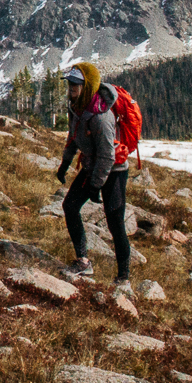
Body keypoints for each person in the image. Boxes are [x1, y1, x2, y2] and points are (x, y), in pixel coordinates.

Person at [54, 61, 131, 286]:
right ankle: (83, 262)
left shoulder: (101, 117)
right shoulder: (75, 107)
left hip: (114, 171)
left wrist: (95, 185)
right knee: (70, 206)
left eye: (76, 85)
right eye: (70, 85)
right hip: (91, 166)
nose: (71, 89)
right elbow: (73, 136)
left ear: (87, 86)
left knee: (115, 222)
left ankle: (123, 278)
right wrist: (65, 163)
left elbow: (107, 156)